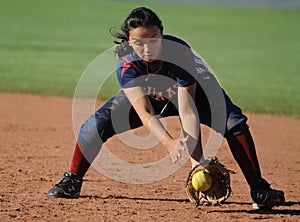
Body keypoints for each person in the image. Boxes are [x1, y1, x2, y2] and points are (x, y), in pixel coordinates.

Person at [48, 7, 284, 209]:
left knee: (234, 122)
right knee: (95, 124)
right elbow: (145, 112)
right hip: (151, 98)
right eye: (139, 42)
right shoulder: (127, 65)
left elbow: (187, 109)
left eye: (153, 39)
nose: (147, 47)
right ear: (128, 42)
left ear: (162, 34)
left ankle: (259, 189)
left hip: (198, 92)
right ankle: (72, 181)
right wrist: (170, 142)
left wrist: (196, 161)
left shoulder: (179, 53)